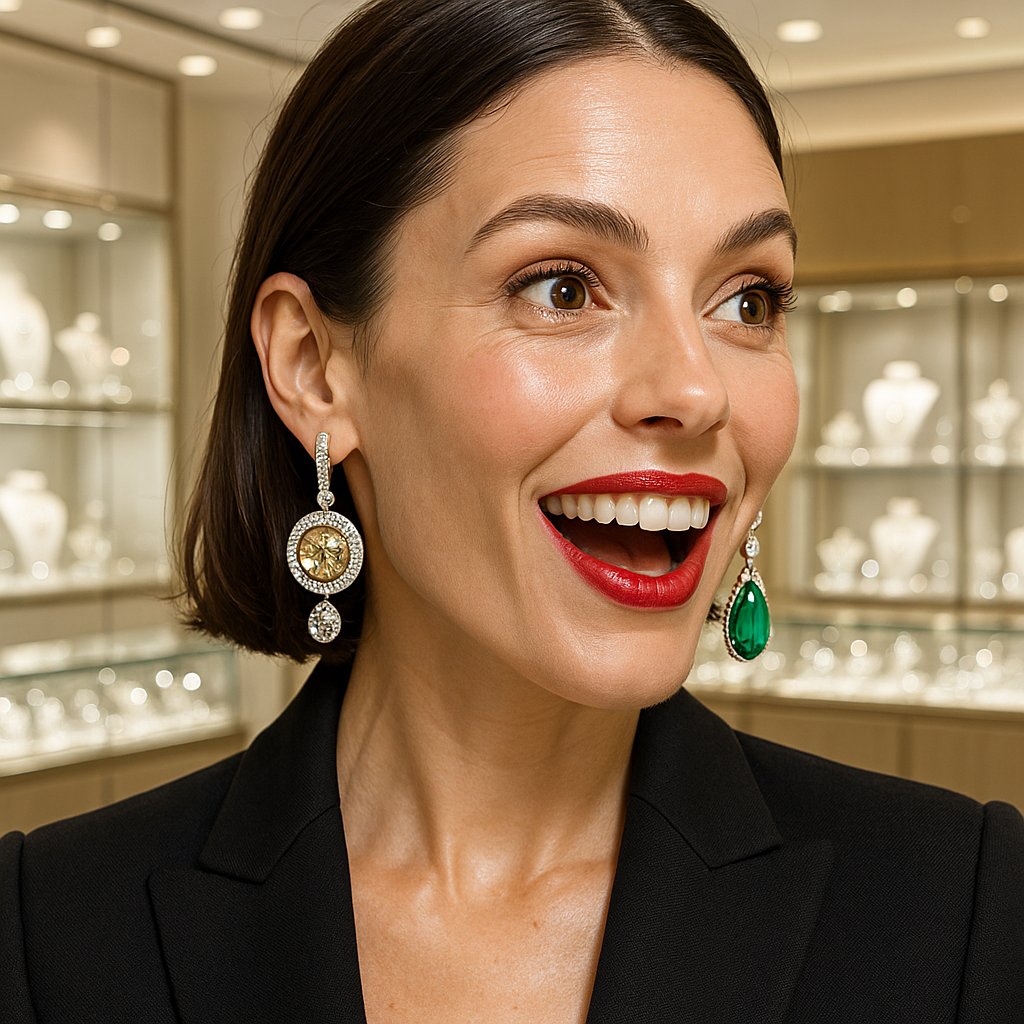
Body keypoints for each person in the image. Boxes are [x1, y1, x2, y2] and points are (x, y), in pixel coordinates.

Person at [2, 0, 1021, 1020]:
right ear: (314, 366)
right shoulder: (44, 937)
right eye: (561, 288)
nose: (696, 389)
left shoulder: (968, 908)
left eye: (746, 299)